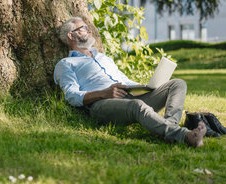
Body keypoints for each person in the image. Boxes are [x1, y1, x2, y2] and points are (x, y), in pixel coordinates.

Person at [54, 17, 206, 147]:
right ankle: (185, 136)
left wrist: (145, 87)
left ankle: (168, 130)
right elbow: (71, 95)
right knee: (137, 105)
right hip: (102, 104)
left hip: (129, 96)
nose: (89, 31)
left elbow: (124, 80)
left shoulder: (103, 58)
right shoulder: (66, 64)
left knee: (177, 84)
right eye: (83, 28)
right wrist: (104, 93)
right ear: (71, 35)